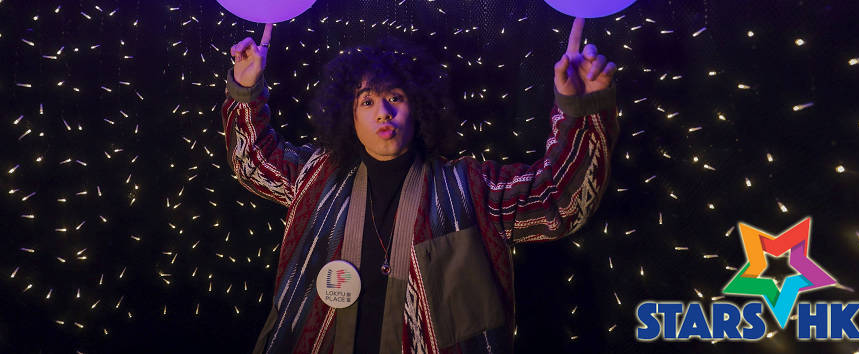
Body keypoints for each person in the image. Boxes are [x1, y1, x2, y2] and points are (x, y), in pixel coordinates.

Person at [223, 18, 619, 354]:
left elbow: (558, 202)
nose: (383, 112)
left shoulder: (469, 186)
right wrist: (246, 90)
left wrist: (580, 109)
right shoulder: (317, 175)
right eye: (367, 102)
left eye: (395, 97)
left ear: (419, 108)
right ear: (349, 116)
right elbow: (252, 162)